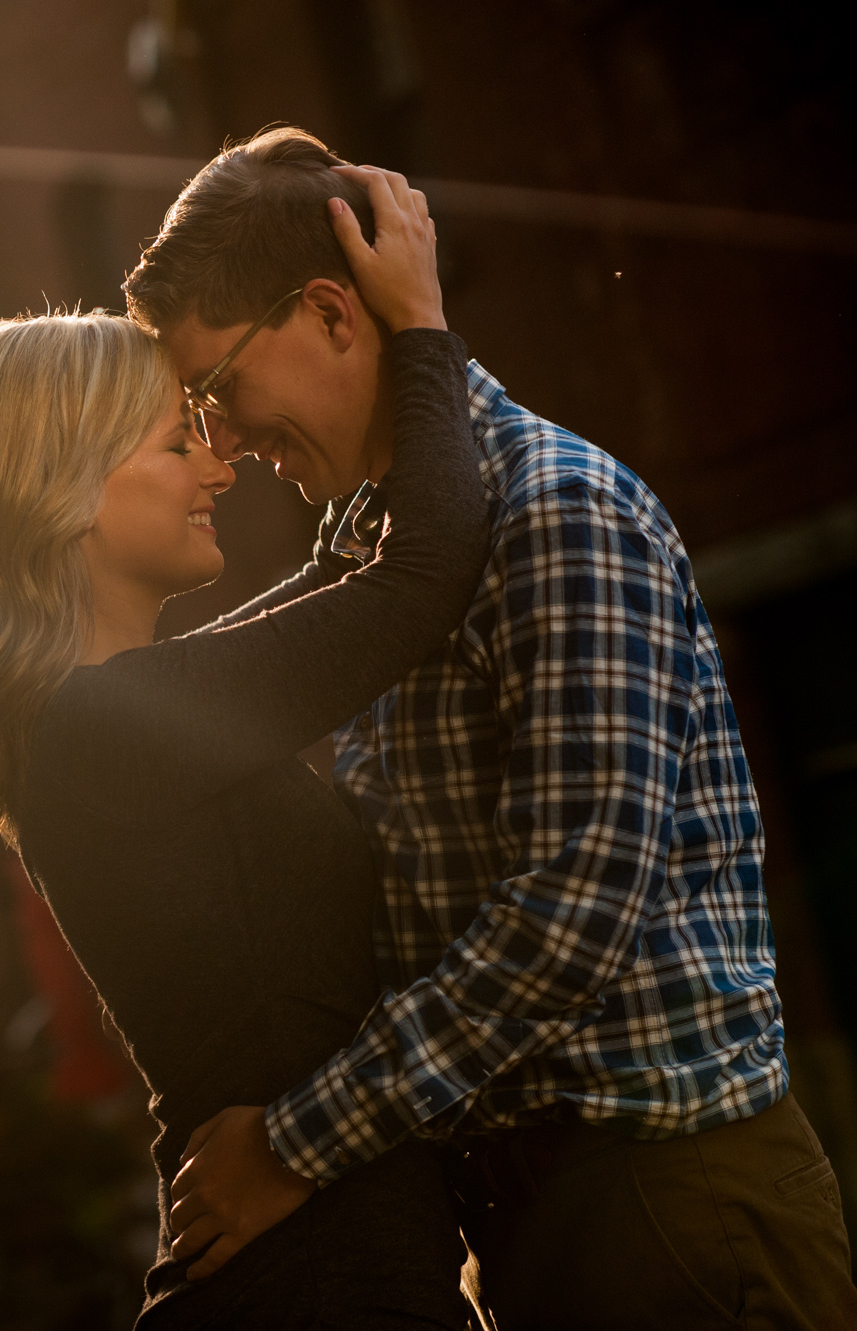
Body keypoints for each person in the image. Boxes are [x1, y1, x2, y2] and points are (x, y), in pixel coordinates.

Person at [125, 126, 857, 1328]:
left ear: (326, 313)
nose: (225, 441)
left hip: (667, 1212)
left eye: (217, 389)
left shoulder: (554, 513)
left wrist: (294, 1143)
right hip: (543, 1217)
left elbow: (567, 915)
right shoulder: (385, 546)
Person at [0, 166, 485, 1324]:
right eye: (179, 444)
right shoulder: (104, 729)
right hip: (307, 1282)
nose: (219, 465)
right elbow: (415, 580)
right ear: (64, 490)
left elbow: (344, 584)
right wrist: (417, 325)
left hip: (332, 1262)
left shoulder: (123, 711)